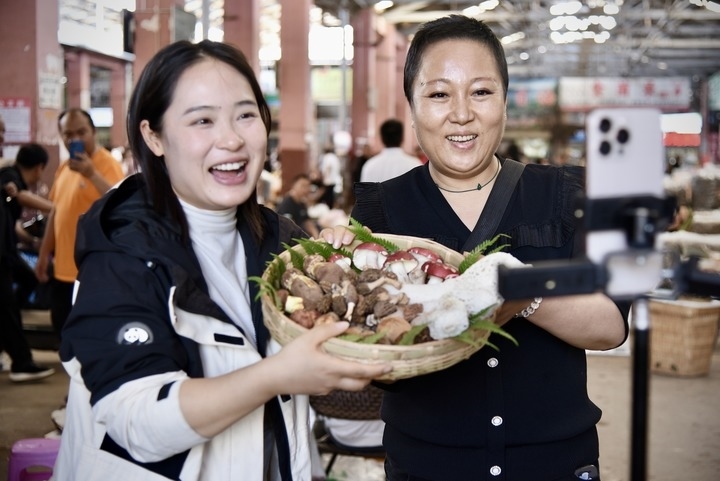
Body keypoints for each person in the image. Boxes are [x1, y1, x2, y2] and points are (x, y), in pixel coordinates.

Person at [53, 39, 391, 481]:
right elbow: (137, 423)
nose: (231, 139)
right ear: (154, 136)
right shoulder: (123, 255)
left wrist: (345, 281)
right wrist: (274, 376)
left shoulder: (281, 242)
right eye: (203, 120)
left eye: (246, 115)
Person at [325, 15, 629, 481]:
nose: (461, 113)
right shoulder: (381, 211)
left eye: (481, 92)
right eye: (439, 94)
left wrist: (522, 291)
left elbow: (610, 326)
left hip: (552, 464)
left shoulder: (564, 194)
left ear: (504, 101)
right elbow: (373, 360)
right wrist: (335, 284)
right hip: (429, 467)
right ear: (412, 108)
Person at [34, 108, 125, 336]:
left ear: (93, 132)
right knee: (63, 332)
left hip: (93, 272)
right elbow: (56, 212)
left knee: (92, 337)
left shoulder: (107, 164)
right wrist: (44, 254)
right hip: (62, 270)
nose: (74, 139)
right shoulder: (65, 167)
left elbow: (121, 205)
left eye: (81, 132)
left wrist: (91, 174)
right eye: (68, 134)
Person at [0, 143, 55, 382]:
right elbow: (18, 195)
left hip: (8, 252)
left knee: (29, 280)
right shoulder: (9, 174)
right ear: (39, 168)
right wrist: (57, 208)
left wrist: (31, 240)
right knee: (6, 306)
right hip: (2, 255)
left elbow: (12, 225)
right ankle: (22, 362)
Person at [359, 119, 422, 183]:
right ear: (402, 138)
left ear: (382, 138)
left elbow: (365, 189)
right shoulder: (415, 165)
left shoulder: (370, 166)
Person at [276, 173, 320, 238]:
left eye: (308, 186)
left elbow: (307, 221)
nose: (306, 189)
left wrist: (316, 235)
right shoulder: (287, 203)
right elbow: (288, 227)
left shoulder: (302, 203)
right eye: (303, 186)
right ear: (294, 186)